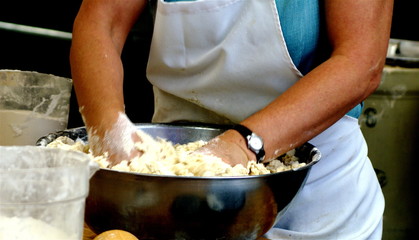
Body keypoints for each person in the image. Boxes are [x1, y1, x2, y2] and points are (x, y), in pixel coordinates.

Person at [70, 0, 393, 238]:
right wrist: (110, 131)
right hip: (169, 194)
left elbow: (360, 63)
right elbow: (102, 22)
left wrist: (238, 149)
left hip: (311, 198)